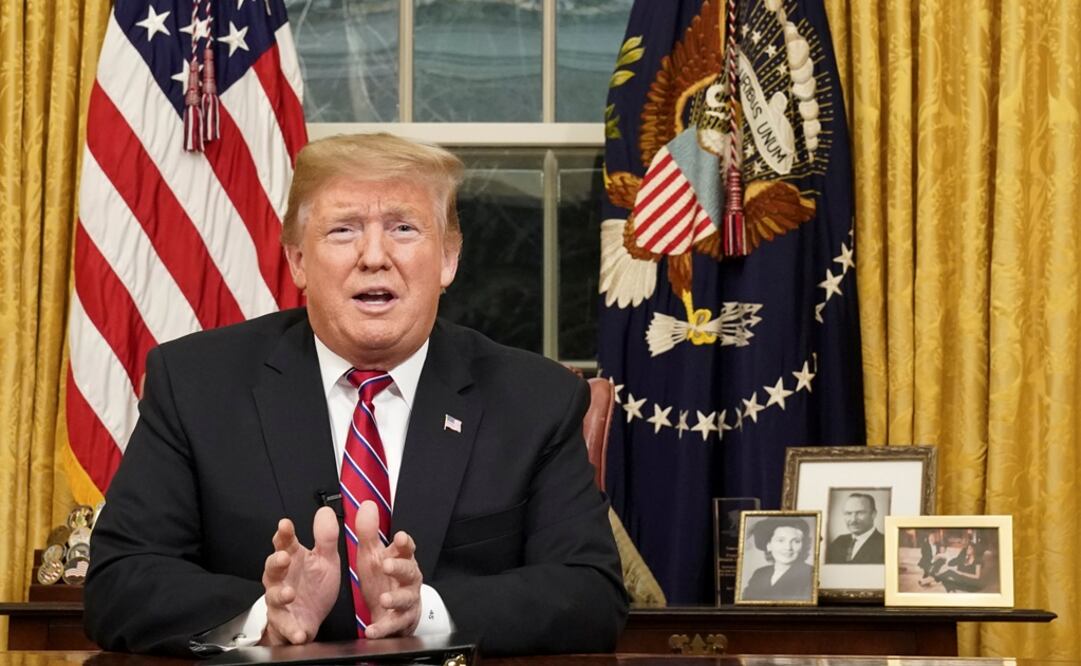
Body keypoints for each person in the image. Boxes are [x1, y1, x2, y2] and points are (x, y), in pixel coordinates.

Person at [84, 134, 628, 656]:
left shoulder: (535, 400)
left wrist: (425, 612)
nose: (373, 256)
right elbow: (120, 580)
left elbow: (590, 593)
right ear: (298, 260)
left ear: (448, 259)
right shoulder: (196, 386)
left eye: (403, 228)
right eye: (343, 230)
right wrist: (264, 616)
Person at [740, 517, 815, 601]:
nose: (788, 547)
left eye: (796, 541)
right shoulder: (759, 574)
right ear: (768, 545)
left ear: (803, 546)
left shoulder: (810, 574)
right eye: (781, 540)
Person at [823, 493, 885, 564]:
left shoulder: (885, 544)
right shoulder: (838, 542)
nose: (853, 520)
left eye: (860, 513)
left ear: (873, 514)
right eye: (848, 513)